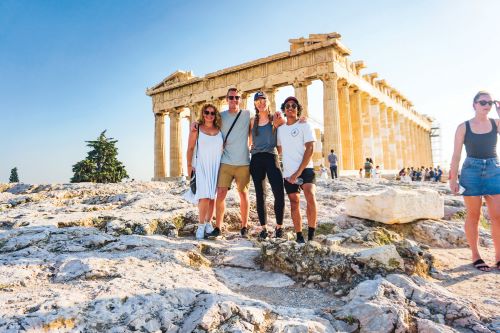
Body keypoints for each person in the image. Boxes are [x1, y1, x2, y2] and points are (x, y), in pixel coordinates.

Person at [191, 88, 252, 239]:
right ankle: (217, 227)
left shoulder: (247, 114)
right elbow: (208, 123)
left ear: (241, 99)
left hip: (244, 162)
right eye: (231, 97)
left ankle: (244, 226)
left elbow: (264, 118)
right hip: (225, 161)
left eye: (237, 97)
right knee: (220, 195)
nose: (234, 100)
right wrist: (195, 124)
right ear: (226, 99)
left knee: (243, 194)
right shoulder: (221, 116)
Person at [449, 91, 500, 272]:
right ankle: (476, 256)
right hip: (471, 170)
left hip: (494, 170)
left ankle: (499, 257)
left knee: (498, 216)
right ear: (474, 104)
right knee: (473, 215)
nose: (487, 105)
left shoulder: (496, 123)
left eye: (490, 102)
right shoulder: (463, 127)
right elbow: (456, 155)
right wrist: (453, 178)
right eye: (483, 102)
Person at [277, 96, 317, 243]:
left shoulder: (305, 125)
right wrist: (274, 126)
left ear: (297, 109)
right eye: (287, 106)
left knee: (310, 195)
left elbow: (310, 148)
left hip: (305, 168)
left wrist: (298, 172)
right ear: (284, 110)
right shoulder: (280, 130)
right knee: (294, 202)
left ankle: (311, 235)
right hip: (288, 171)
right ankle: (299, 236)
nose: (290, 107)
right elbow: (279, 150)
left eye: (294, 105)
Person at [184, 104, 223, 239]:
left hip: (216, 166)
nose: (209, 115)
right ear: (203, 113)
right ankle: (201, 225)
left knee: (212, 196)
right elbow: (190, 148)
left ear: (215, 115)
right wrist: (189, 166)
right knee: (204, 196)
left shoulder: (219, 129)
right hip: (201, 165)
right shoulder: (197, 129)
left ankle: (208, 223)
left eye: (212, 113)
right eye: (207, 112)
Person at [249, 91, 286, 240]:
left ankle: (279, 227)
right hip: (256, 159)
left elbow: (290, 125)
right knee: (260, 194)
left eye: (263, 100)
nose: (261, 103)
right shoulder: (252, 122)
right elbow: (244, 138)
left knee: (279, 191)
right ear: (255, 104)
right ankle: (263, 228)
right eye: (258, 101)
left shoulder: (275, 118)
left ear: (268, 102)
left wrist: (302, 119)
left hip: (272, 157)